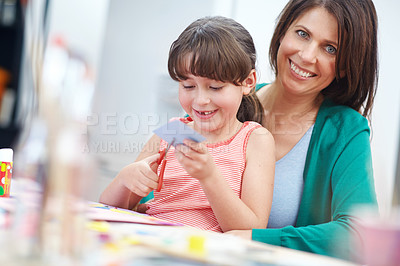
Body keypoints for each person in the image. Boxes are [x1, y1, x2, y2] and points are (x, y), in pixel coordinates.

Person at [226, 0, 379, 262]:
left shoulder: (345, 129)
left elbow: (360, 233)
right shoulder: (227, 97)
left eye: (330, 48)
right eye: (302, 34)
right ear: (283, 30)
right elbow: (157, 183)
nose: (307, 56)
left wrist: (254, 239)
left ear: (345, 65)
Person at [99, 16, 275, 233]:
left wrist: (209, 176)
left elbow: (252, 229)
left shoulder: (255, 140)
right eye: (189, 86)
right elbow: (108, 209)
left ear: (248, 82)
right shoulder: (175, 131)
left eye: (216, 87)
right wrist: (125, 179)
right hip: (151, 240)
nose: (200, 100)